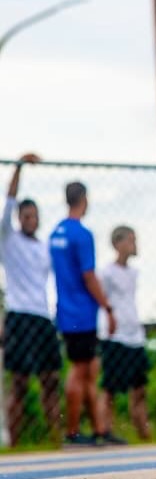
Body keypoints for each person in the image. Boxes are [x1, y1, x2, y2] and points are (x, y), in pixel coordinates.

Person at [49, 181, 121, 446]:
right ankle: (72, 431)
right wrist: (108, 307)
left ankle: (99, 428)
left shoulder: (56, 232)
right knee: (80, 370)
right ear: (84, 199)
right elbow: (88, 275)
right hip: (82, 312)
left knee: (90, 368)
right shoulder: (82, 234)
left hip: (66, 310)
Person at [0, 154, 62, 446]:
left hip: (42, 317)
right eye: (25, 216)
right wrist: (19, 166)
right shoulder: (8, 240)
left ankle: (55, 438)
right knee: (21, 382)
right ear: (18, 219)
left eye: (33, 216)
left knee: (51, 379)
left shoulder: (45, 247)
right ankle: (15, 441)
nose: (30, 220)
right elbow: (9, 199)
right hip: (20, 315)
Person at [98, 226, 151, 441]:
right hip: (115, 336)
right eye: (131, 240)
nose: (135, 244)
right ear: (118, 244)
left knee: (139, 389)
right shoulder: (106, 273)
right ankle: (105, 431)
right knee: (110, 388)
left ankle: (144, 433)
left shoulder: (134, 273)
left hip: (134, 336)